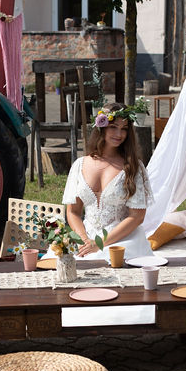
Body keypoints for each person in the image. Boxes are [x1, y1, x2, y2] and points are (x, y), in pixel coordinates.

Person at [61, 101, 153, 260]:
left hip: (120, 240)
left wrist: (98, 244)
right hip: (84, 240)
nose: (119, 134)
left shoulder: (132, 167)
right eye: (113, 127)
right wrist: (83, 240)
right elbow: (73, 212)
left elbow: (137, 216)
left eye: (124, 129)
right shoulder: (80, 165)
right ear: (101, 127)